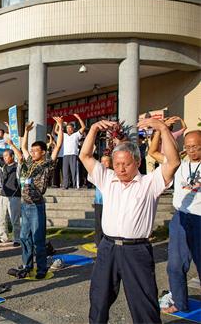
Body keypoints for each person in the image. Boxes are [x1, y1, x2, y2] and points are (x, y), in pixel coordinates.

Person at [79, 118, 180, 324]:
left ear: (138, 162)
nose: (121, 168)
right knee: (98, 299)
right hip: (107, 248)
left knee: (144, 304)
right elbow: (85, 155)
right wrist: (94, 129)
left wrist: (161, 128)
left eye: (126, 163)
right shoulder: (107, 179)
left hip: (136, 251)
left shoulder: (150, 182)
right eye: (117, 164)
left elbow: (173, 162)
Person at [149, 129, 200, 314]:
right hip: (180, 218)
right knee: (175, 266)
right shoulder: (178, 164)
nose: (191, 150)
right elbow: (153, 152)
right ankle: (179, 302)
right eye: (187, 146)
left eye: (195, 146)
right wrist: (158, 130)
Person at [13, 117, 64, 279]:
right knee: (24, 237)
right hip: (25, 204)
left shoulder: (47, 164)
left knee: (38, 239)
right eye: (32, 150)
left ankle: (41, 268)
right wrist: (26, 132)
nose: (33, 152)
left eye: (36, 151)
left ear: (43, 152)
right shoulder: (30, 162)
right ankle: (27, 265)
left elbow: (59, 146)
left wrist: (61, 126)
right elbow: (23, 147)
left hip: (36, 206)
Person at [0, 138, 21, 246]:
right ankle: (3, 237)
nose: (4, 158)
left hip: (14, 195)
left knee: (15, 220)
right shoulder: (3, 166)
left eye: (6, 156)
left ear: (11, 156)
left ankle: (17, 239)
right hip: (3, 195)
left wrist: (12, 145)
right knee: (1, 218)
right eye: (3, 156)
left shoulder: (17, 166)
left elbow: (21, 157)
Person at [62, 114, 86, 189]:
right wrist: (59, 123)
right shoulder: (64, 135)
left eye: (70, 128)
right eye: (67, 128)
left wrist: (78, 118)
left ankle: (75, 185)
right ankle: (65, 185)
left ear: (73, 128)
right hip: (65, 155)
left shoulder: (76, 135)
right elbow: (56, 130)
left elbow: (83, 127)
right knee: (65, 171)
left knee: (74, 171)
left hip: (73, 155)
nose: (68, 129)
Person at [94, 155, 112, 246]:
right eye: (102, 161)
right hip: (99, 202)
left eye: (106, 161)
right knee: (98, 224)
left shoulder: (112, 173)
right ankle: (98, 242)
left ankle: (107, 241)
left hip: (109, 202)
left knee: (108, 223)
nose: (103, 163)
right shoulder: (98, 173)